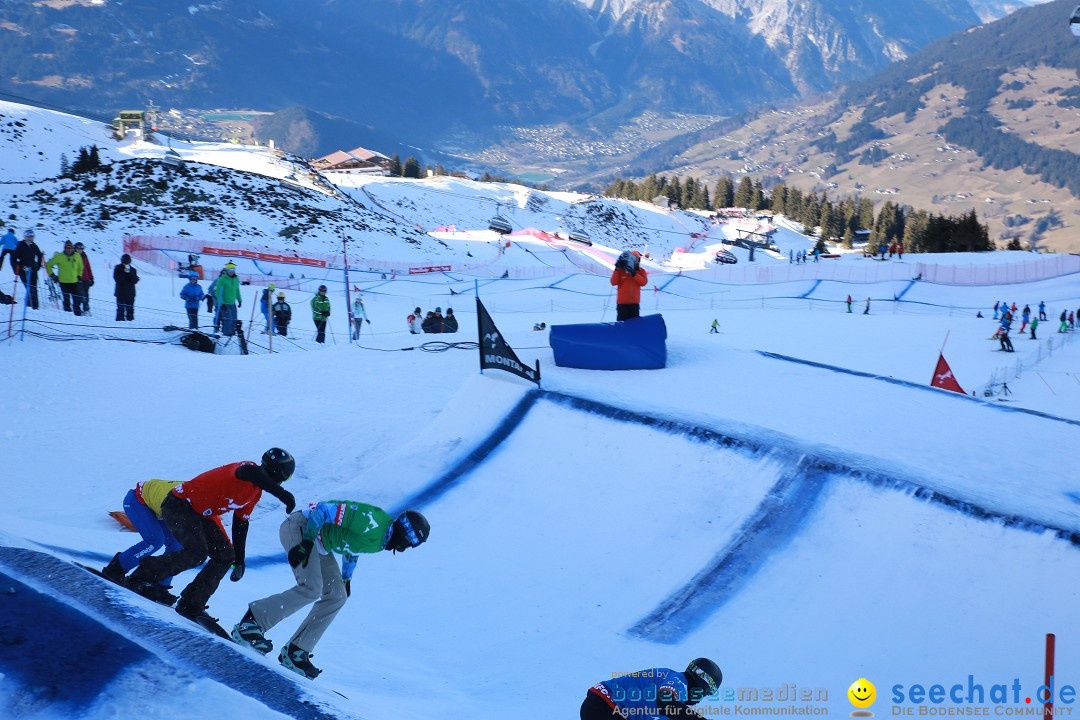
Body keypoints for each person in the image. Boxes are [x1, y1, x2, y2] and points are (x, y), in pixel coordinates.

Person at [232, 504, 430, 679]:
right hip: (301, 528)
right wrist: (308, 541)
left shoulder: (381, 540)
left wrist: (346, 578)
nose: (407, 548)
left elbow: (353, 546)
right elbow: (323, 510)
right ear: (405, 532)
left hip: (320, 544)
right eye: (411, 541)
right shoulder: (374, 520)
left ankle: (297, 651)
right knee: (311, 587)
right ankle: (251, 623)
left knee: (337, 595)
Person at [125, 449, 298, 624]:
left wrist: (239, 559)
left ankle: (191, 603)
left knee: (225, 556)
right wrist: (283, 495)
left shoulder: (254, 493)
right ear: (280, 475)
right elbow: (250, 473)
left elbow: (240, 524)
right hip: (179, 504)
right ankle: (140, 578)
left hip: (200, 513)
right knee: (197, 553)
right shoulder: (247, 469)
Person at [100, 479, 185, 605]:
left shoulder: (206, 497)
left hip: (158, 506)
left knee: (177, 545)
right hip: (137, 501)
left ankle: (160, 585)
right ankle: (116, 569)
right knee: (155, 541)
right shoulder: (194, 496)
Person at [580, 657, 721, 720]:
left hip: (601, 705)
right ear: (701, 683)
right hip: (604, 705)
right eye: (706, 692)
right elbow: (666, 703)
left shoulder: (677, 705)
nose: (701, 699)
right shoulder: (678, 681)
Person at [46, 240, 85, 315]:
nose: (68, 249)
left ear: (73, 248)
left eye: (70, 247)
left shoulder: (77, 256)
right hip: (63, 282)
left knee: (77, 301)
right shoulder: (59, 256)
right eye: (67, 247)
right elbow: (48, 265)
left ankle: (78, 316)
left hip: (75, 282)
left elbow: (81, 267)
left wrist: (79, 276)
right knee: (66, 300)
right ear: (64, 248)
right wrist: (53, 276)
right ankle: (67, 316)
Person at [610, 250, 648, 321]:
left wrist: (634, 274)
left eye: (637, 259)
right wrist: (617, 269)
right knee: (621, 326)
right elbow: (613, 282)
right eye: (634, 259)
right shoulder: (621, 271)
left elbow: (643, 282)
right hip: (622, 305)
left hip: (634, 305)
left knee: (634, 326)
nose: (636, 261)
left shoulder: (641, 271)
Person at [13, 229, 44, 310]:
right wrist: (20, 267)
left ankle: (35, 307)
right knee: (29, 287)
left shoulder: (34, 246)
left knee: (34, 287)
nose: (30, 238)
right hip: (23, 270)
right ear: (25, 237)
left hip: (33, 269)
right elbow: (13, 258)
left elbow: (40, 255)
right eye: (28, 237)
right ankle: (29, 306)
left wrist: (38, 265)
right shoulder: (20, 246)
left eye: (32, 237)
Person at [214, 263, 241, 336]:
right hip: (225, 303)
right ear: (226, 270)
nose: (231, 272)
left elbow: (237, 290)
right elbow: (218, 292)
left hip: (232, 303)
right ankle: (226, 333)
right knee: (227, 319)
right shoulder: (222, 279)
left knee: (234, 319)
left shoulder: (236, 279)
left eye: (232, 270)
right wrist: (221, 303)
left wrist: (239, 299)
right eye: (229, 270)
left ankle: (232, 332)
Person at [113, 253, 139, 321]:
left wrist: (129, 273)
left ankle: (130, 324)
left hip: (130, 294)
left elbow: (135, 281)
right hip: (120, 293)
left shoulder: (133, 270)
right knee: (120, 311)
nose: (126, 264)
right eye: (125, 263)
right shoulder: (118, 268)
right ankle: (119, 325)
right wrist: (124, 272)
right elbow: (117, 279)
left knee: (130, 311)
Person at [75, 242, 93, 315]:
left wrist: (91, 278)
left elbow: (88, 267)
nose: (80, 250)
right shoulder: (73, 256)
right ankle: (77, 310)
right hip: (76, 279)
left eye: (81, 249)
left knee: (86, 294)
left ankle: (86, 309)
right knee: (78, 294)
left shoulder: (85, 256)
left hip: (85, 278)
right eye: (78, 249)